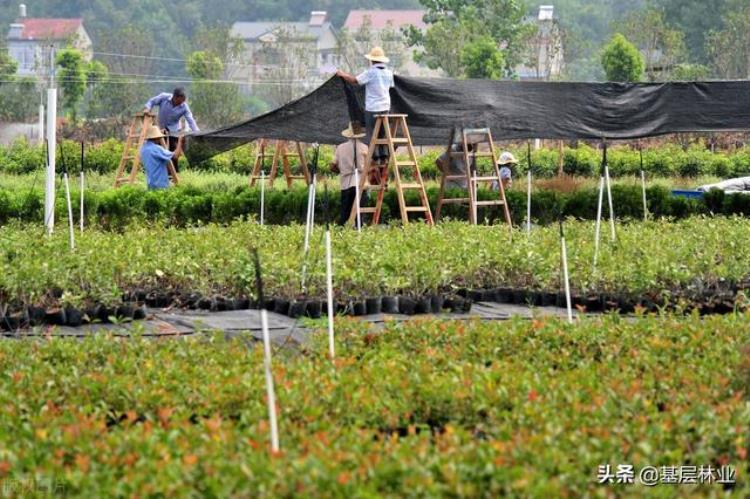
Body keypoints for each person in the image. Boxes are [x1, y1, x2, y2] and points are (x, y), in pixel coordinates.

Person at [335, 47, 394, 179]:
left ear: (372, 60)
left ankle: (377, 157)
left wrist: (342, 74)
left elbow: (355, 80)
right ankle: (384, 156)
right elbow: (389, 87)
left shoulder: (371, 72)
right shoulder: (389, 73)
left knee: (373, 132)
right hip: (386, 107)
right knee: (382, 134)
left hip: (373, 107)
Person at [144, 88, 199, 172]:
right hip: (161, 130)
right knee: (160, 151)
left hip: (174, 132)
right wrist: (147, 108)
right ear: (175, 97)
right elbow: (152, 101)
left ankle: (174, 175)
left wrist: (197, 132)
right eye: (179, 102)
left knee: (173, 153)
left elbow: (190, 120)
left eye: (183, 102)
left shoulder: (184, 106)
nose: (181, 104)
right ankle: (160, 172)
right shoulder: (164, 97)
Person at [331, 123, 369, 225]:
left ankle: (342, 233)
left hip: (346, 183)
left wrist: (341, 170)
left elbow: (332, 166)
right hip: (361, 182)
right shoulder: (365, 147)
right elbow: (370, 166)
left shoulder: (340, 148)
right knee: (359, 214)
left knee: (345, 213)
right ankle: (358, 233)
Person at [140, 126, 178, 190]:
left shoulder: (143, 148)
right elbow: (175, 155)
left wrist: (166, 137)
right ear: (157, 138)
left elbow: (165, 151)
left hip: (150, 183)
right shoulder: (157, 149)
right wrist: (180, 142)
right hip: (161, 184)